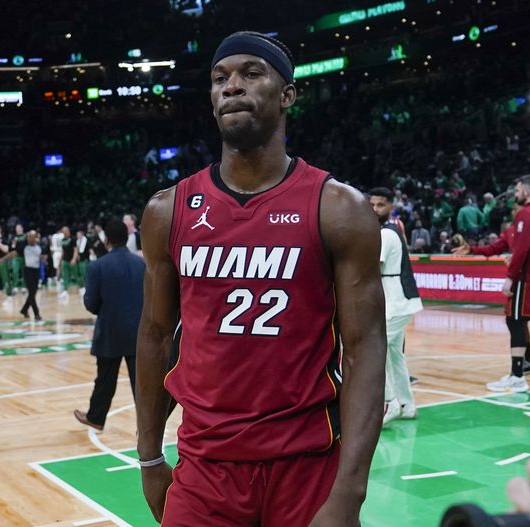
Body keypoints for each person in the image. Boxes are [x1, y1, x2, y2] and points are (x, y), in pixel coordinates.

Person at [136, 31, 386, 526]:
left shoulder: (339, 209)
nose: (232, 86)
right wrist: (148, 457)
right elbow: (155, 335)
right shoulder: (168, 210)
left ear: (287, 94)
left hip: (307, 467)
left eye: (251, 73)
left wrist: (349, 493)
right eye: (220, 78)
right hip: (204, 468)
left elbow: (364, 349)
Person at [74, 220, 145, 430]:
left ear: (106, 240)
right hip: (138, 331)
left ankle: (96, 418)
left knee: (104, 380)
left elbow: (91, 304)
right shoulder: (142, 264)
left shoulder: (97, 266)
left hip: (110, 331)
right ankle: (147, 425)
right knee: (142, 384)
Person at [484, 175, 530, 392]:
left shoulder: (526, 214)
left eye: (518, 190)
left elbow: (521, 250)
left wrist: (510, 277)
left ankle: (517, 375)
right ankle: (526, 367)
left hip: (528, 279)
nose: (515, 194)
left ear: (527, 192)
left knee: (515, 321)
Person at [454, 203, 530, 374]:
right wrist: (472, 250)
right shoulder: (511, 231)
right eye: (513, 209)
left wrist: (514, 260)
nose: (515, 212)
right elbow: (493, 248)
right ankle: (527, 362)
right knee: (517, 321)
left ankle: (519, 371)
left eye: (517, 209)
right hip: (522, 282)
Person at [369, 188, 423, 425]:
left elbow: (370, 267)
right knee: (395, 356)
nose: (374, 209)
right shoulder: (389, 231)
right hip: (399, 302)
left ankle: (390, 403)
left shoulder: (386, 234)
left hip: (395, 302)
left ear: (391, 207)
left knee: (374, 351)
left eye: (380, 205)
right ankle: (407, 404)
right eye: (371, 204)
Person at [20, 230, 43, 321]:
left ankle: (24, 310)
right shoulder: (24, 247)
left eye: (33, 236)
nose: (31, 238)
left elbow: (41, 257)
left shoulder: (39, 248)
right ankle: (36, 314)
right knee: (32, 293)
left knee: (34, 292)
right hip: (28, 270)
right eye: (29, 236)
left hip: (36, 271)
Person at [59, 226, 77, 298]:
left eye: (66, 230)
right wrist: (60, 261)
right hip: (65, 260)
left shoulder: (73, 239)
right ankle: (65, 290)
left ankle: (82, 287)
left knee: (76, 274)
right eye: (63, 230)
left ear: (68, 231)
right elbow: (63, 251)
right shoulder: (62, 240)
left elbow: (76, 250)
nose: (64, 232)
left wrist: (74, 259)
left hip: (72, 260)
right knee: (65, 275)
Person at [10, 224, 27, 295]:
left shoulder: (25, 236)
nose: (18, 229)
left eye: (19, 228)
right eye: (17, 228)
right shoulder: (13, 237)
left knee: (25, 272)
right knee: (15, 271)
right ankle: (15, 287)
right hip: (16, 257)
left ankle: (24, 287)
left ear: (22, 229)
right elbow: (11, 247)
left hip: (24, 257)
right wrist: (13, 244)